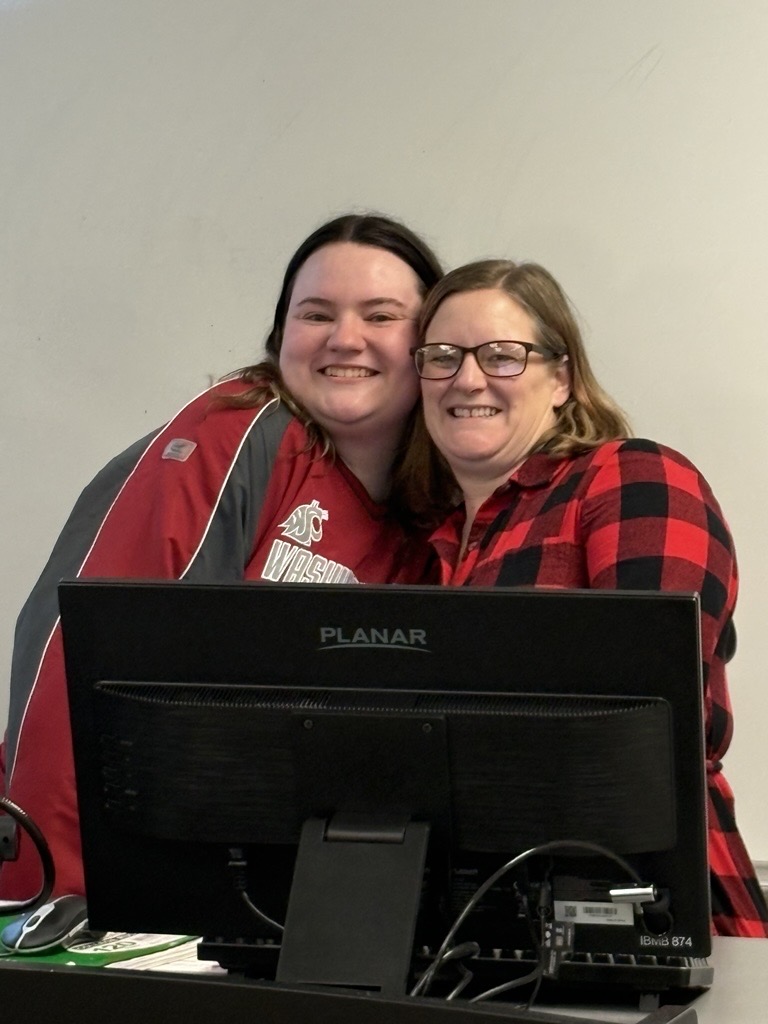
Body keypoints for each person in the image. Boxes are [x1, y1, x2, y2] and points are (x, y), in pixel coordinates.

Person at [0, 212, 443, 902]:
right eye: (316, 314)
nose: (344, 338)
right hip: (102, 883)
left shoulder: (430, 519)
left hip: (268, 887)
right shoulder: (238, 432)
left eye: (380, 316)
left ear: (430, 347)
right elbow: (90, 661)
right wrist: (65, 891)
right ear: (280, 335)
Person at [404, 258, 768, 938]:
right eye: (443, 357)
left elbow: (639, 713)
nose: (468, 378)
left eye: (503, 357)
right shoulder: (421, 551)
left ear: (562, 378)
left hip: (647, 908)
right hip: (473, 921)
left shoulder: (632, 477)